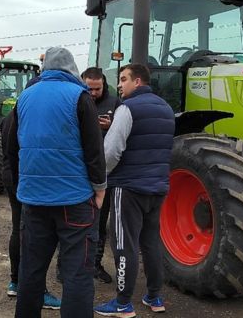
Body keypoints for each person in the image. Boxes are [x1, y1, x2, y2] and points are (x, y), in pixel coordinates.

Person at [8, 47, 106, 317]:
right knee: (77, 273)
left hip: (33, 200)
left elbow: (12, 147)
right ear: (72, 69)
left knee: (31, 271)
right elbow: (94, 149)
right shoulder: (80, 96)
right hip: (74, 200)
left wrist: (21, 189)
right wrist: (99, 189)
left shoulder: (24, 97)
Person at [94, 64, 175, 317]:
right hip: (157, 187)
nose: (119, 85)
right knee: (151, 242)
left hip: (128, 188)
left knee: (123, 244)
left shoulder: (127, 108)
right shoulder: (166, 109)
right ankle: (154, 297)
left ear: (137, 81)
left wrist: (100, 177)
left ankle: (123, 303)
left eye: (123, 79)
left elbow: (111, 151)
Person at [1, 109, 61, 310]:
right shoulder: (33, 115)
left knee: (17, 229)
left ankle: (15, 282)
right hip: (27, 178)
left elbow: (7, 149)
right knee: (35, 236)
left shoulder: (9, 116)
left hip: (11, 175)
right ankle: (38, 291)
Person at [81, 67, 122, 284]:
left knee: (100, 220)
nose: (94, 93)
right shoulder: (77, 100)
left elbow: (123, 131)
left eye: (98, 88)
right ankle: (70, 266)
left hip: (105, 173)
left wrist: (111, 125)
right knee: (76, 222)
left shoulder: (114, 103)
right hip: (80, 172)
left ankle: (95, 264)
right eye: (90, 89)